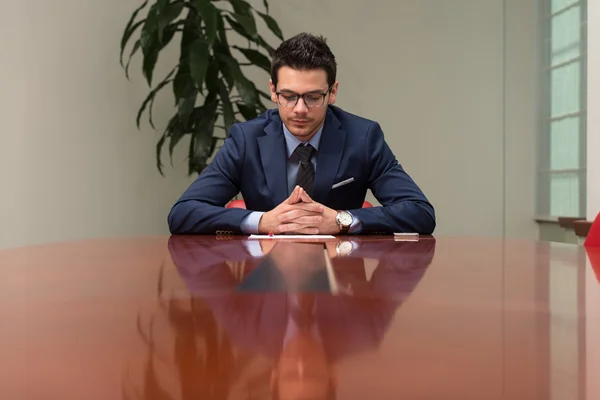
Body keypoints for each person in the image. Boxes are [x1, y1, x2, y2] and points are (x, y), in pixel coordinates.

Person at [168, 32, 435, 236]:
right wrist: (263, 221)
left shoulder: (362, 137)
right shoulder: (246, 140)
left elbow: (420, 212)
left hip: (340, 289)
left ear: (332, 92)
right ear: (273, 90)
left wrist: (342, 220)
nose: (300, 109)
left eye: (313, 97)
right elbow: (183, 212)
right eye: (288, 96)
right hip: (266, 288)